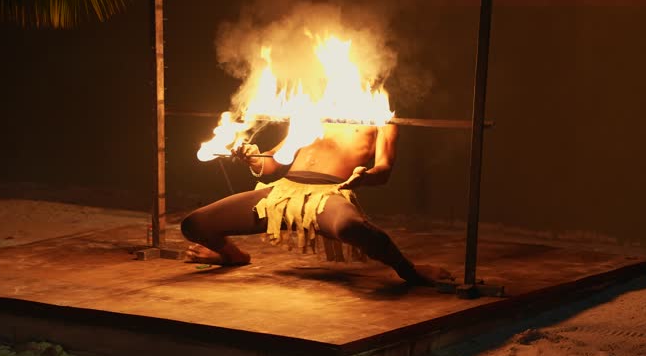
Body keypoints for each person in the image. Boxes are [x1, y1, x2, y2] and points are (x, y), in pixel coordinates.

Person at [181, 122, 454, 286]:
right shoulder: (311, 108)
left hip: (328, 195)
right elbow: (273, 162)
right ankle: (234, 257)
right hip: (282, 193)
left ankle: (409, 270)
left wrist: (364, 176)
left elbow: (383, 170)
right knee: (195, 224)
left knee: (350, 227)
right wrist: (254, 157)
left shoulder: (380, 117)